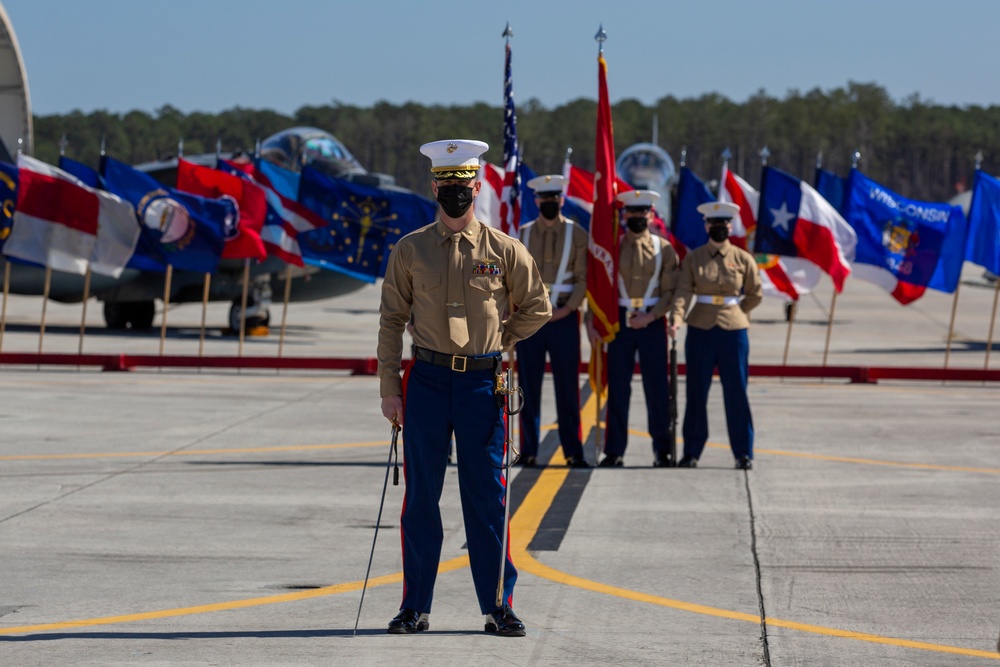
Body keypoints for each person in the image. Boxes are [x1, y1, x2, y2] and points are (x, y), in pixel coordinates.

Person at [377, 139, 551, 637]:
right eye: (446, 185)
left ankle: (498, 606)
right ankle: (414, 606)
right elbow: (391, 321)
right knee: (420, 498)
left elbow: (536, 305)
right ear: (434, 186)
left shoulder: (505, 249)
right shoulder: (410, 249)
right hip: (426, 382)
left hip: (482, 384)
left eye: (464, 186)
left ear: (478, 187)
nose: (456, 194)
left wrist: (502, 338)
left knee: (488, 499)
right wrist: (391, 387)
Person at [587, 190, 679, 468]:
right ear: (624, 215)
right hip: (620, 321)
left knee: (657, 389)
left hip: (651, 321)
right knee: (618, 389)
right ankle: (614, 451)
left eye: (643, 213)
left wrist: (651, 317)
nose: (638, 217)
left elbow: (671, 290)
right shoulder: (612, 248)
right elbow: (599, 285)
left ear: (652, 215)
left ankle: (661, 450)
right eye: (632, 213)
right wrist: (591, 320)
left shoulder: (665, 248)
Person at [669, 201, 763, 470]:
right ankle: (692, 451)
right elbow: (684, 293)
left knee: (737, 393)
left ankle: (743, 452)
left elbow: (755, 293)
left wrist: (738, 313)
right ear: (706, 226)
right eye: (714, 223)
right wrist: (676, 319)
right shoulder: (694, 258)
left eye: (724, 223)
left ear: (731, 226)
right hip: (701, 328)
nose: (719, 228)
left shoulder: (743, 258)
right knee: (697, 393)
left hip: (734, 331)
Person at [516, 174, 590, 468]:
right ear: (536, 201)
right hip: (530, 321)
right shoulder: (522, 234)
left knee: (567, 388)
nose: (549, 203)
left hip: (563, 318)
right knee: (528, 388)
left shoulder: (578, 234)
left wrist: (568, 309)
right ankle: (529, 451)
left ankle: (573, 451)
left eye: (554, 198)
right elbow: (515, 279)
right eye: (544, 199)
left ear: (562, 199)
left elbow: (583, 279)